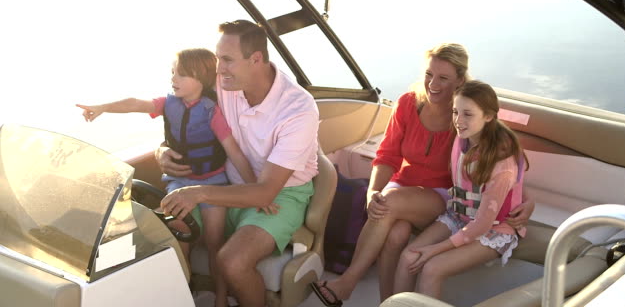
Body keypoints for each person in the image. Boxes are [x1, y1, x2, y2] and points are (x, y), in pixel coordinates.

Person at [311, 43, 534, 306]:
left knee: (389, 204)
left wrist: (527, 201)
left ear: (460, 80)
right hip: (403, 186)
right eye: (429, 75)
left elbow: (501, 160)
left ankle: (347, 283)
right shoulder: (408, 104)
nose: (433, 84)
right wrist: (372, 192)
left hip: (440, 195)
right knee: (395, 233)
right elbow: (388, 155)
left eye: (443, 78)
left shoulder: (463, 117)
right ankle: (389, 302)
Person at [77, 48, 258, 307]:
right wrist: (103, 108)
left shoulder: (211, 111)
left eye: (182, 75)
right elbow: (134, 103)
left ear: (201, 80)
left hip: (213, 183)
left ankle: (220, 297)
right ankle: (183, 291)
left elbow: (235, 153)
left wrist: (256, 189)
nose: (174, 79)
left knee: (215, 242)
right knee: (178, 235)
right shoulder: (168, 103)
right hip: (179, 182)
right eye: (173, 72)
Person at [157, 20, 319, 307]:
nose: (218, 69)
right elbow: (179, 112)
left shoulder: (298, 108)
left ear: (256, 59)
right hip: (223, 180)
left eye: (227, 60)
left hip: (281, 194)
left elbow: (266, 191)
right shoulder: (224, 81)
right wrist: (162, 151)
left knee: (231, 261)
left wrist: (198, 192)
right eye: (218, 58)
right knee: (164, 232)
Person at [392, 80, 528, 298]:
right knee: (409, 256)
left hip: (493, 229)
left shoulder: (502, 162)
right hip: (459, 216)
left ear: (488, 116)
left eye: (467, 114)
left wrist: (433, 250)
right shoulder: (463, 139)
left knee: (431, 268)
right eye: (455, 112)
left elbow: (483, 224)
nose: (458, 120)